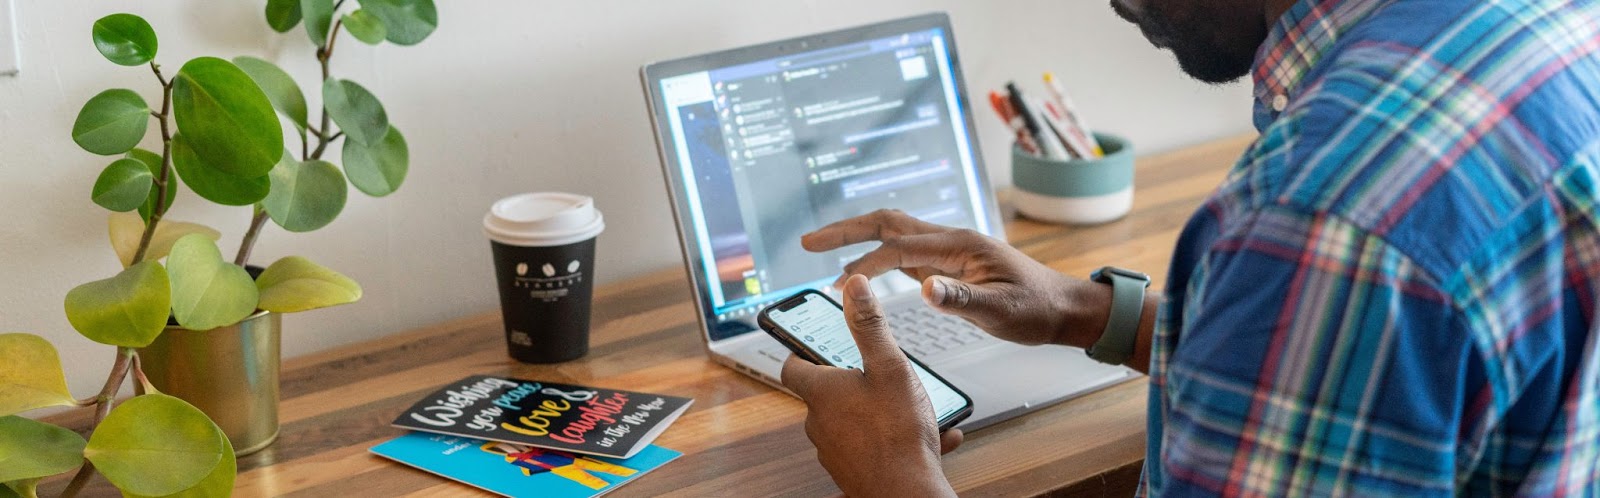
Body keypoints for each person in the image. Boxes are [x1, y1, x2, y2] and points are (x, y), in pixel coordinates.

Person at [780, 0, 1600, 495]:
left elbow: (1342, 277)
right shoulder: (1549, 28)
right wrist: (1088, 312)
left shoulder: (1323, 220)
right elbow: (1397, 363)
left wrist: (894, 474)